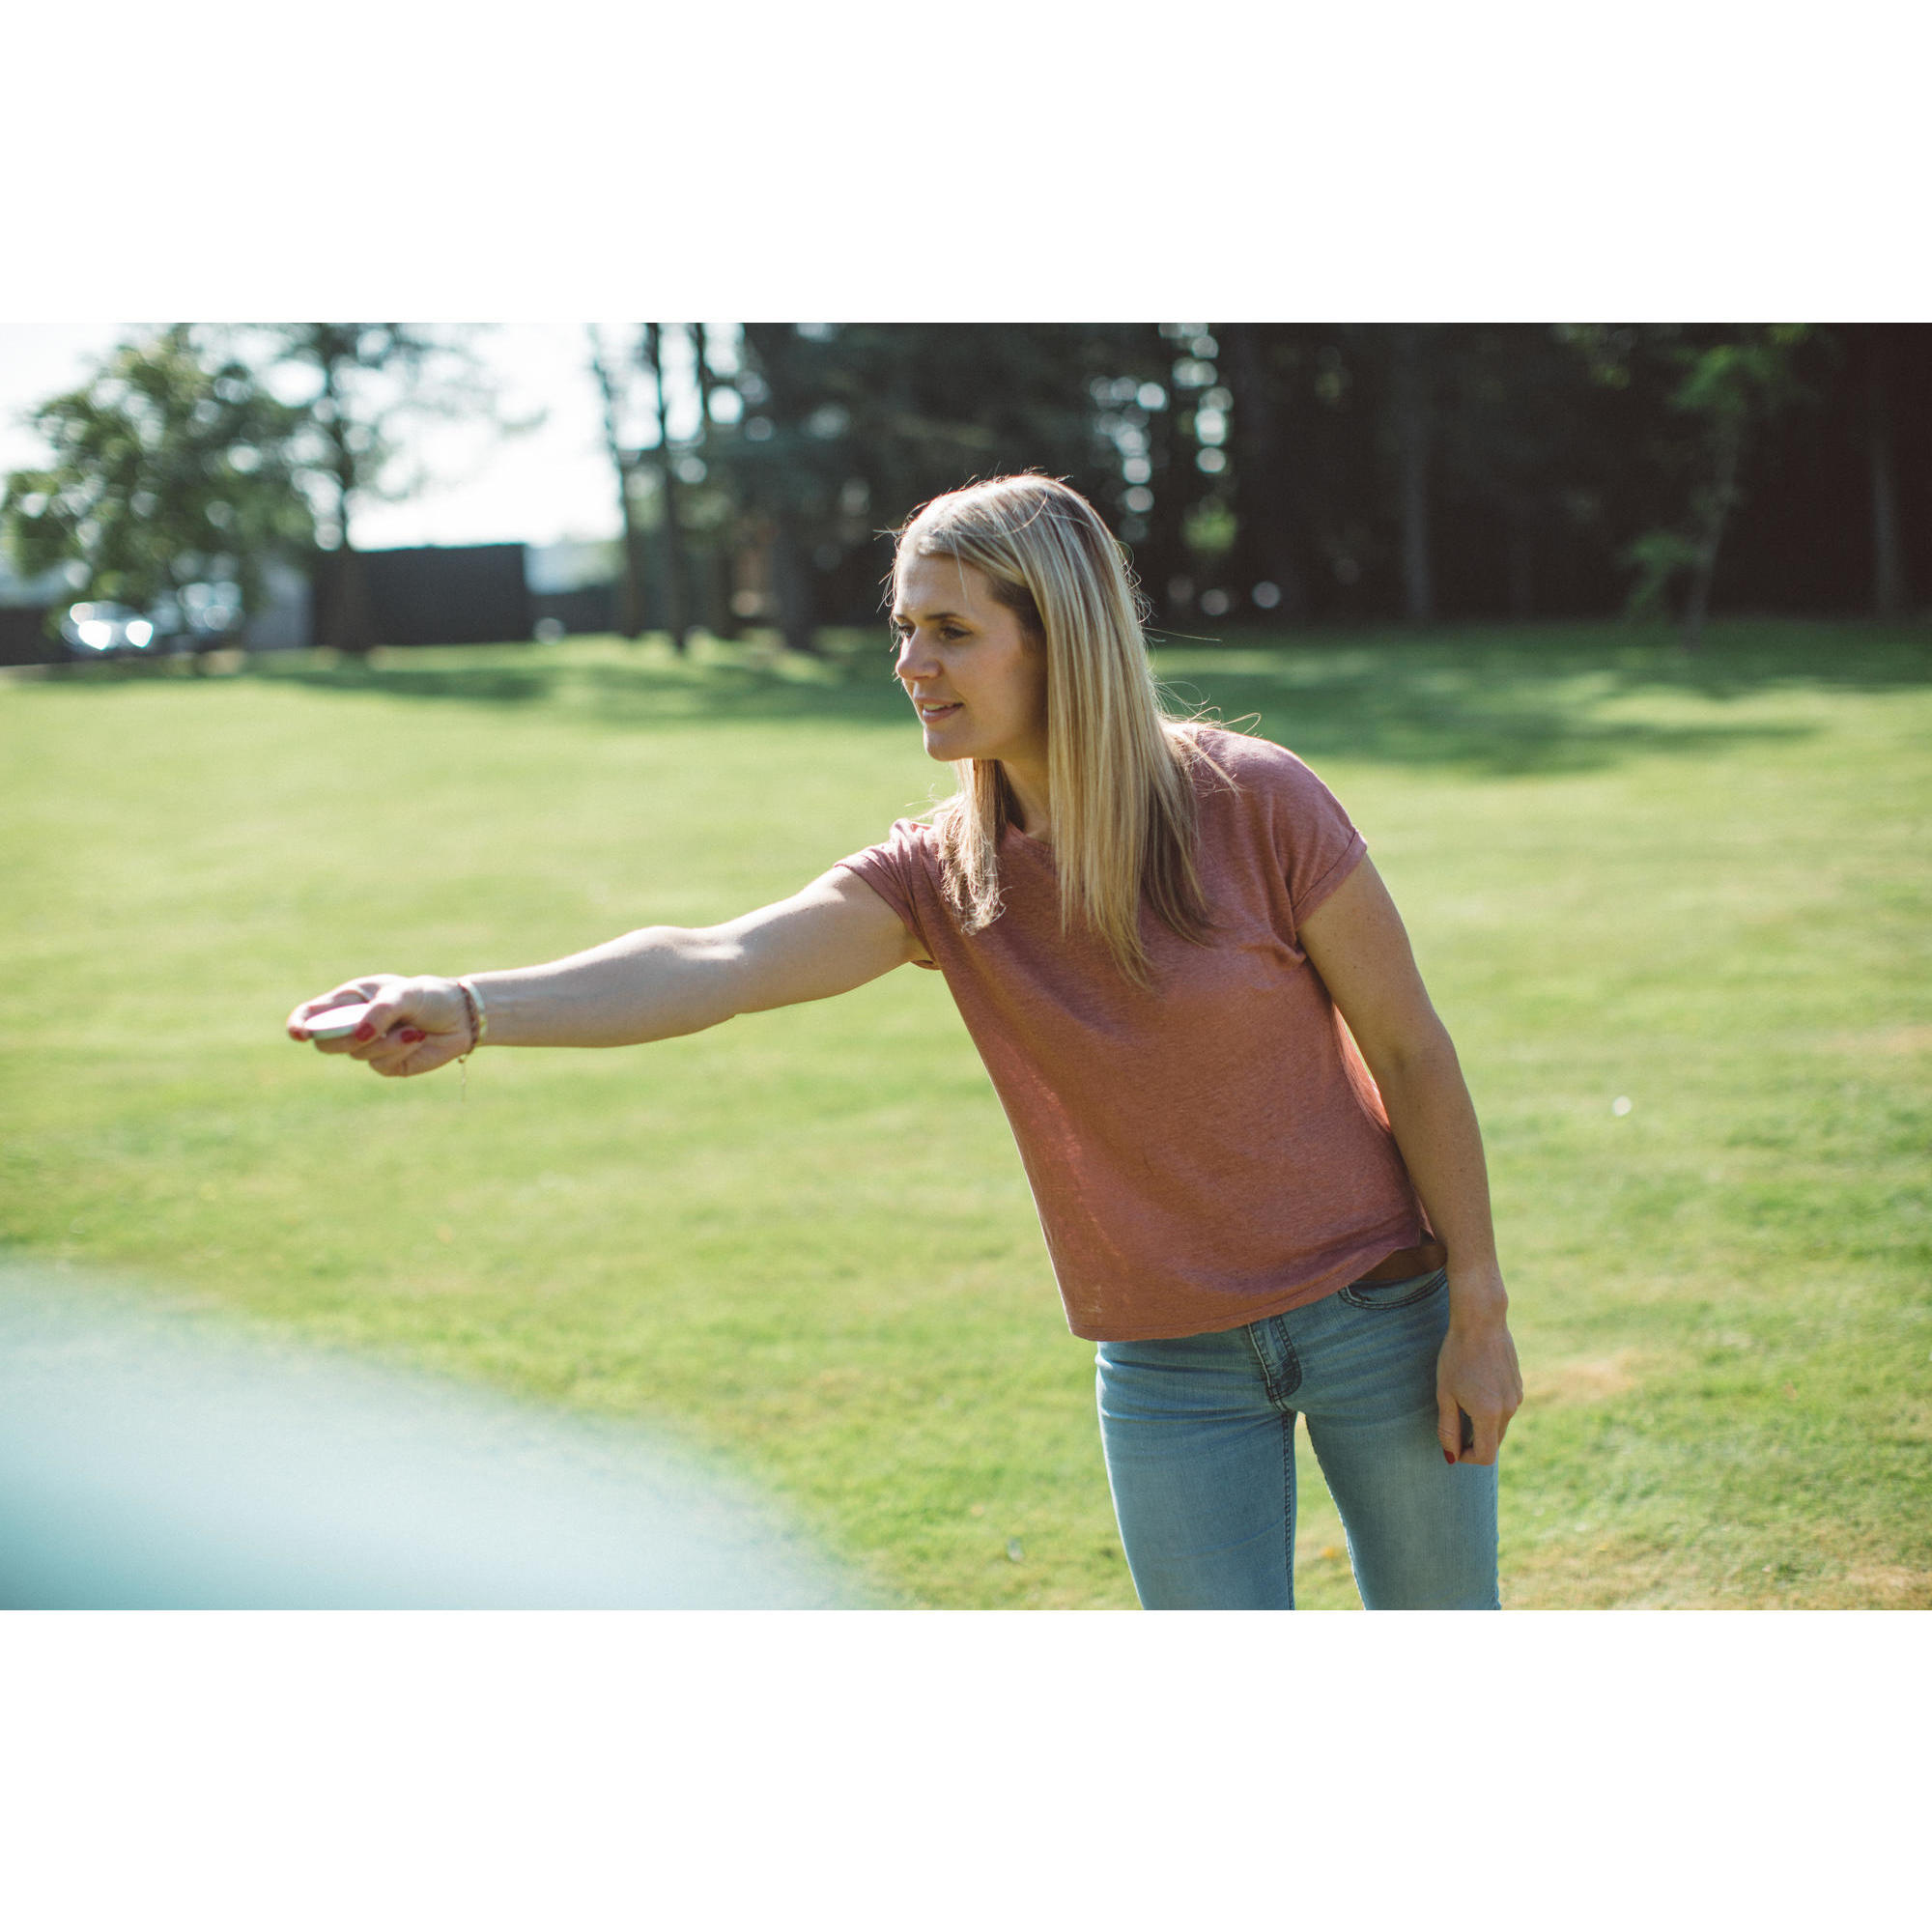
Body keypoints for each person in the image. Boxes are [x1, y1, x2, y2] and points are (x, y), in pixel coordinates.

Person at [288, 473, 1523, 1610]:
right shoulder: (943, 874)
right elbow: (719, 960)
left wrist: (1475, 1311)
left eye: (948, 630)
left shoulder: (1253, 801)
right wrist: (470, 1003)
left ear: (1055, 637)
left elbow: (1410, 1052)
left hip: (1378, 1312)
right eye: (903, 627)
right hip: (1167, 1362)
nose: (908, 662)